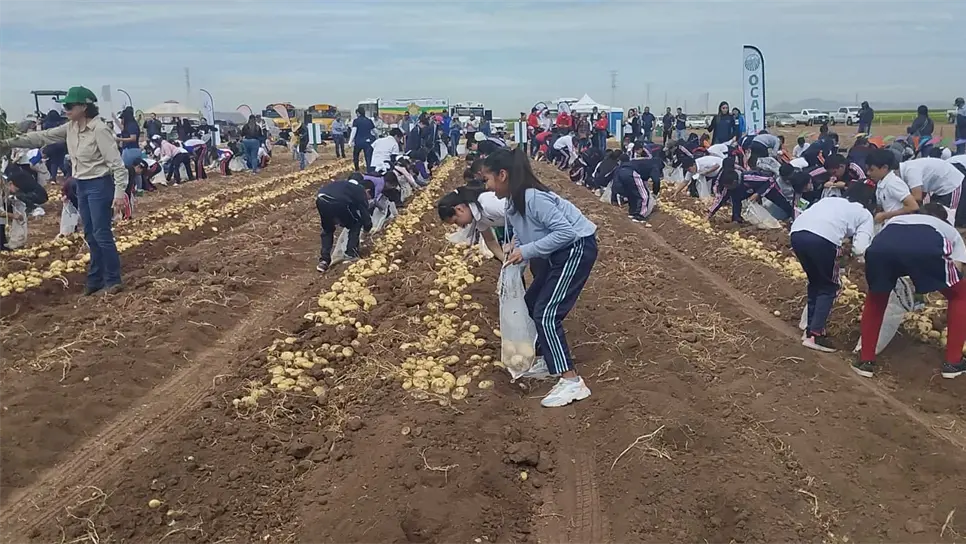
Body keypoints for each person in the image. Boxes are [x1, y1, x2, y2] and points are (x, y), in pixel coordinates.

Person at [480, 147, 598, 407]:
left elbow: (565, 232)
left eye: (487, 180)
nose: (487, 187)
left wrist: (526, 251)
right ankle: (548, 360)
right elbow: (526, 232)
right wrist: (515, 249)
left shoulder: (533, 197)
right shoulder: (513, 202)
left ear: (503, 175)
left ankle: (572, 381)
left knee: (546, 313)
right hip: (558, 252)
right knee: (533, 302)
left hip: (576, 248)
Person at [1, 86, 127, 295]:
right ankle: (95, 279)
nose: (65, 109)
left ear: (84, 107)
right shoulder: (71, 127)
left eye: (69, 106)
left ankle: (113, 280)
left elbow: (117, 165)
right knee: (90, 233)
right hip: (81, 184)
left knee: (101, 233)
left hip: (99, 185)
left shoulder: (99, 129)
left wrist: (119, 194)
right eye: (64, 105)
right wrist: (7, 142)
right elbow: (41, 137)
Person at [854, 203, 966, 379]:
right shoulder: (947, 229)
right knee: (961, 295)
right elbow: (957, 269)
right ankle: (953, 363)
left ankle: (865, 361)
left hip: (880, 250)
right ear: (943, 219)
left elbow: (885, 246)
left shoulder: (896, 220)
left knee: (876, 299)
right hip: (926, 250)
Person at [790, 185, 875, 352]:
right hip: (823, 239)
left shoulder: (830, 200)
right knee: (830, 287)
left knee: (816, 282)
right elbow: (860, 249)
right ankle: (816, 335)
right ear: (870, 202)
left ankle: (809, 330)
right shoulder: (865, 214)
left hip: (797, 234)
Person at [315, 174, 374, 272]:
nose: (368, 198)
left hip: (321, 200)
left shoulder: (340, 184)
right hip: (339, 202)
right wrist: (367, 229)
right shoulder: (359, 189)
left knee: (327, 229)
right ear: (366, 190)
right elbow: (365, 214)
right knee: (356, 223)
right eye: (369, 196)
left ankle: (324, 261)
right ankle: (351, 253)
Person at [709, 157, 794, 222]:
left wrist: (758, 194)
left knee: (781, 202)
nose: (727, 189)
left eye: (728, 186)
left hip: (765, 187)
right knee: (734, 197)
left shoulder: (749, 177)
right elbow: (721, 200)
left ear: (734, 182)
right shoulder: (729, 187)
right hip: (748, 191)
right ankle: (737, 219)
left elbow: (770, 180)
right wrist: (710, 213)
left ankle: (792, 215)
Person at [437, 185, 507, 260]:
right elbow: (490, 241)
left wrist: (515, 243)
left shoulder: (487, 204)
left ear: (459, 209)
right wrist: (505, 260)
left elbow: (520, 215)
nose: (460, 226)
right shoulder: (479, 220)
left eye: (456, 221)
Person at [899, 157, 966, 225]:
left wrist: (902, 210)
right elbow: (922, 195)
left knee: (947, 218)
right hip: (939, 185)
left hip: (952, 184)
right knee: (934, 214)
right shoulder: (908, 167)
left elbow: (917, 198)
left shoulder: (910, 171)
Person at [866, 148, 919, 224]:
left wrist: (885, 215)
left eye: (872, 170)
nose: (868, 173)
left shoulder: (894, 183)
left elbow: (913, 206)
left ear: (885, 168)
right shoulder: (880, 183)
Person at [614, 154, 661, 222]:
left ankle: (632, 212)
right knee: (644, 196)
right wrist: (655, 193)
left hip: (622, 171)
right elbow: (656, 181)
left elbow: (644, 176)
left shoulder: (646, 162)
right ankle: (640, 215)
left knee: (633, 193)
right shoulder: (655, 166)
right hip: (631, 172)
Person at [351, 107, 376, 172]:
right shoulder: (369, 120)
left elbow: (354, 131)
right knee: (368, 158)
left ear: (358, 113)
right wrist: (377, 138)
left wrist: (350, 141)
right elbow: (375, 131)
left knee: (356, 156)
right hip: (368, 142)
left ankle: (356, 170)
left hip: (358, 141)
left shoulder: (356, 121)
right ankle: (369, 171)